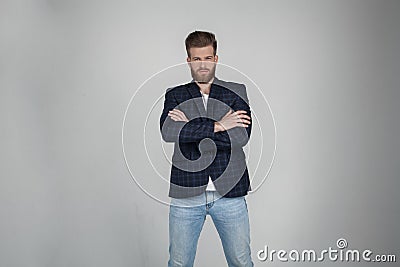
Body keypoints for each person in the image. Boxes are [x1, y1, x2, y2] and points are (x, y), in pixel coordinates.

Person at [160, 30, 254, 267]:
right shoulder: (175, 94)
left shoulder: (236, 91)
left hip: (229, 193)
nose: (203, 64)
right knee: (179, 263)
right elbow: (169, 133)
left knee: (241, 262)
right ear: (189, 60)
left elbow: (241, 136)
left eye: (207, 58)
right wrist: (220, 125)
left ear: (216, 59)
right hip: (186, 193)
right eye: (197, 59)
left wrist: (190, 130)